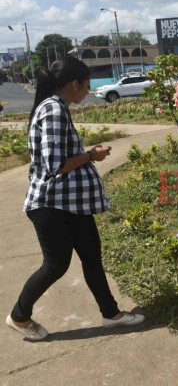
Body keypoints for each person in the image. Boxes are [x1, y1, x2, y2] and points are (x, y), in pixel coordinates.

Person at [6, 56, 144, 341]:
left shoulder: (57, 107)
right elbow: (56, 165)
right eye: (87, 86)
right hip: (51, 204)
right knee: (55, 264)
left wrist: (88, 156)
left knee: (92, 255)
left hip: (70, 203)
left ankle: (111, 314)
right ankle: (19, 316)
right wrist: (92, 156)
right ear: (75, 84)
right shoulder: (54, 111)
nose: (88, 91)